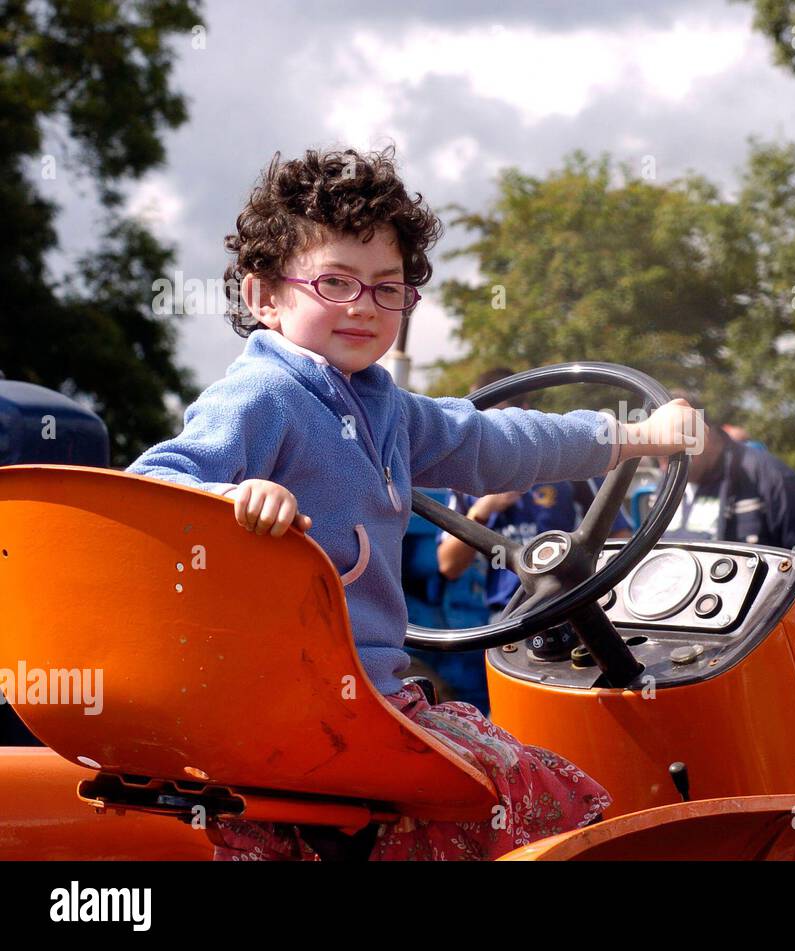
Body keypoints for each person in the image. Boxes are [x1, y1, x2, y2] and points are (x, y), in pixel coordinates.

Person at [127, 147, 703, 861]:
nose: (364, 307)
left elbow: (497, 443)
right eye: (335, 282)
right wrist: (233, 497)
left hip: (366, 700)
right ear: (264, 297)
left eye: (386, 288)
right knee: (535, 790)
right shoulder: (264, 394)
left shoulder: (387, 408)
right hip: (289, 703)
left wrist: (626, 436)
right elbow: (153, 484)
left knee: (507, 776)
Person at [437, 368, 630, 624]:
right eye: (481, 422)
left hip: (571, 608)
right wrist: (481, 512)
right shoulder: (467, 479)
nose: (490, 432)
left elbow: (620, 537)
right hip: (507, 618)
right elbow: (449, 566)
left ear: (523, 413)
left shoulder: (574, 464)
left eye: (498, 419)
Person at [659, 394, 795, 556]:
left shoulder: (772, 477)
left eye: (672, 450)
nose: (664, 466)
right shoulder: (667, 482)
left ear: (705, 433)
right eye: (658, 452)